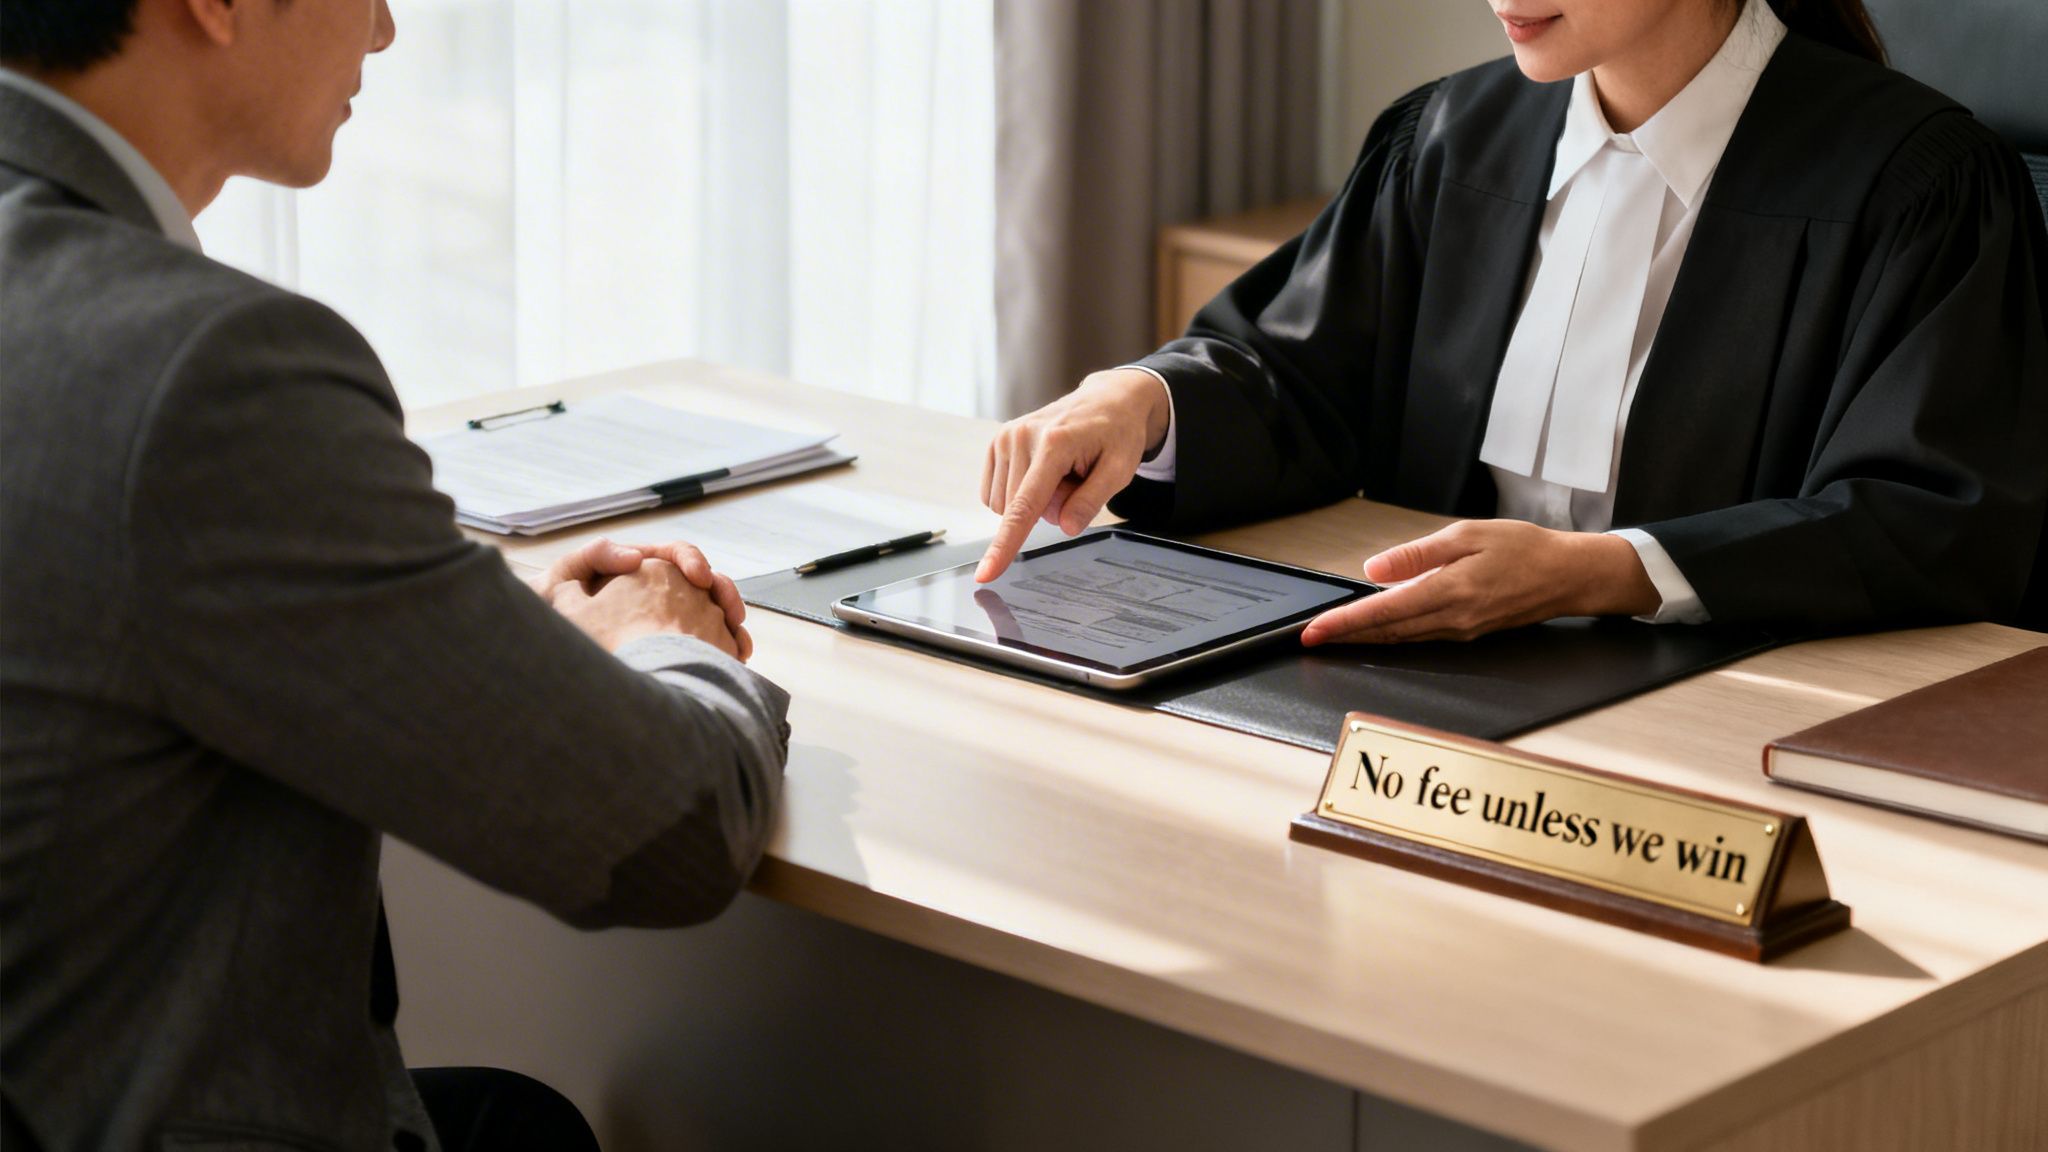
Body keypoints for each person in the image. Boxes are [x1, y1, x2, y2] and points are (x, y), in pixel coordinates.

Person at [0, 1, 791, 1148]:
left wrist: (465, 634)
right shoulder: (205, 372)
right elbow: (676, 836)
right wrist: (667, 637)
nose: (383, 28)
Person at [978, 0, 2048, 643]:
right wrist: (1142, 400)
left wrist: (1602, 572)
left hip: (1736, 727)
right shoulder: (1450, 136)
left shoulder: (1917, 183)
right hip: (1436, 700)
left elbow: (1930, 520)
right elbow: (1299, 377)